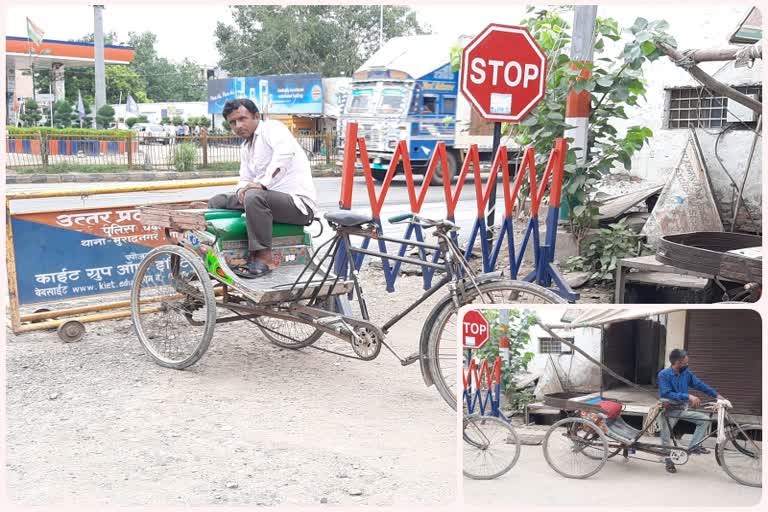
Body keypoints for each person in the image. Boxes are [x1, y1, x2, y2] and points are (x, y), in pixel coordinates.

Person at [207, 98, 317, 278]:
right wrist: (241, 191)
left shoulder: (272, 129)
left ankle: (264, 258)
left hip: (297, 205)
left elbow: (284, 155)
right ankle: (225, 255)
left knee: (254, 196)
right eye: (233, 122)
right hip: (265, 201)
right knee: (218, 200)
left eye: (243, 119)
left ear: (256, 116)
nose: (238, 125)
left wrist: (262, 184)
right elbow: (244, 178)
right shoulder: (246, 146)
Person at [657, 348, 727, 474]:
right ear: (677, 363)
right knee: (665, 438)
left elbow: (700, 384)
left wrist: (716, 395)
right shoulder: (663, 374)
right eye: (685, 363)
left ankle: (694, 447)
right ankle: (668, 461)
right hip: (669, 410)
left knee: (704, 420)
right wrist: (688, 396)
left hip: (682, 408)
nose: (687, 365)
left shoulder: (686, 373)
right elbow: (666, 393)